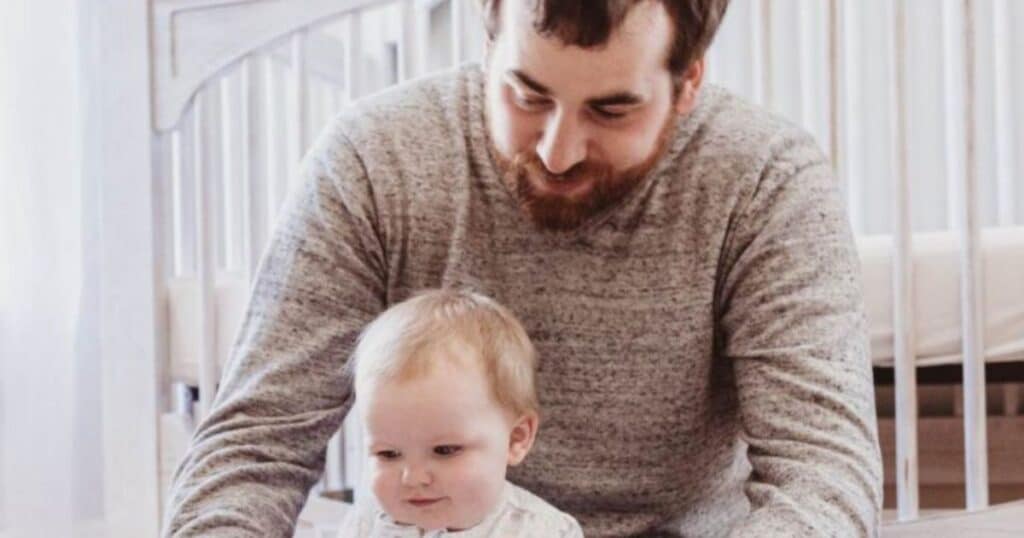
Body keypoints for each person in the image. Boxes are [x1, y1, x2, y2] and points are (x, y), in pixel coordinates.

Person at [164, 0, 884, 536]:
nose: (556, 151)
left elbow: (822, 473)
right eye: (527, 96)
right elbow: (255, 445)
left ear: (687, 82)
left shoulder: (766, 180)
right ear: (488, 34)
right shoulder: (373, 160)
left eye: (611, 109)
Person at [336, 289, 583, 536]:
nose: (413, 478)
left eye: (444, 450)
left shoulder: (547, 531)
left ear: (516, 439)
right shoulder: (367, 519)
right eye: (388, 454)